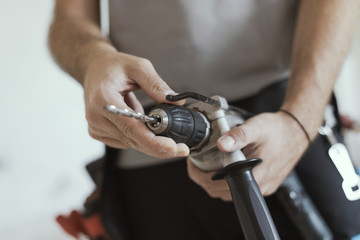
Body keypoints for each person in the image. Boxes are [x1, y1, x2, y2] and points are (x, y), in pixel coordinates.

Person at [49, 0, 360, 239]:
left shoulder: (292, 124)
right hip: (144, 155)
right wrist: (93, 59)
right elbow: (69, 19)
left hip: (281, 127)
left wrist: (299, 121)